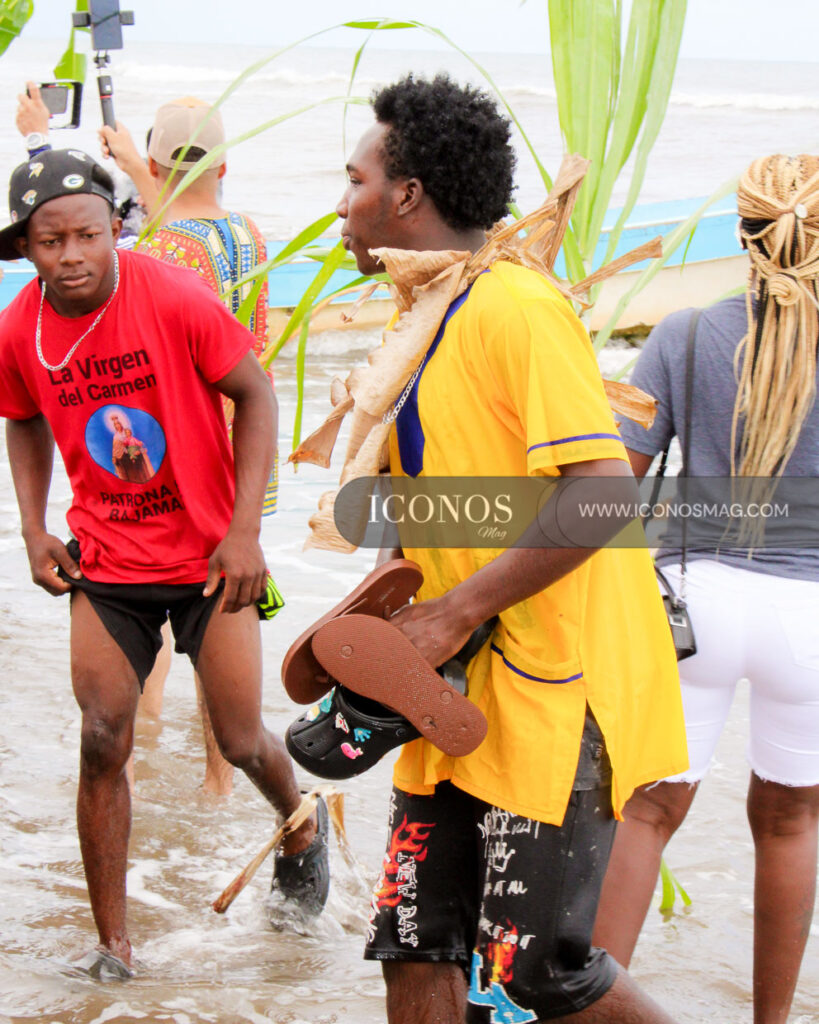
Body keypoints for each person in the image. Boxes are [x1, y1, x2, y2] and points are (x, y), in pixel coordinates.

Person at [334, 73, 688, 1023]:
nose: (341, 204)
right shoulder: (425, 318)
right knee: (412, 951)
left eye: (354, 180)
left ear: (405, 196)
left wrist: (454, 610)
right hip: (448, 699)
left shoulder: (516, 310)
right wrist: (372, 639)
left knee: (537, 976)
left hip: (552, 699)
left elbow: (602, 490)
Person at [0, 148, 329, 975]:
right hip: (106, 562)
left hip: (212, 561)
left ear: (117, 228)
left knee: (242, 737)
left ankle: (300, 823)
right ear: (26, 248)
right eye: (49, 242)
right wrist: (34, 527)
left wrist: (245, 531)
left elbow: (254, 393)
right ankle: (114, 946)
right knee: (103, 736)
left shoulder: (174, 297)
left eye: (84, 235)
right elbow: (23, 418)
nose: (69, 256)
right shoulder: (20, 328)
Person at [592, 154, 819, 1024]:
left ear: (743, 232)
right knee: (791, 823)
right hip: (809, 619)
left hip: (694, 605)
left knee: (647, 813)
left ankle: (590, 1008)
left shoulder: (684, 336)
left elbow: (611, 485)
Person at [97, 96, 277, 795]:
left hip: (188, 455)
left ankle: (135, 758)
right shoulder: (246, 233)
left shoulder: (160, 250)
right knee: (220, 611)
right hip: (246, 443)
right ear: (225, 165)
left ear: (154, 165)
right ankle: (216, 780)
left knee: (159, 612)